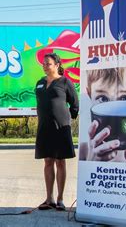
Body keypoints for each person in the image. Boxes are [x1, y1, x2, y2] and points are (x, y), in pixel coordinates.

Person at [79, 66, 126, 163]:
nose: (113, 110)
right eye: (103, 98)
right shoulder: (83, 152)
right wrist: (92, 162)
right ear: (89, 94)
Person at [34, 53, 78, 211]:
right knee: (47, 162)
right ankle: (49, 199)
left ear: (57, 65)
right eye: (44, 63)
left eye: (48, 63)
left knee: (60, 161)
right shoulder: (40, 83)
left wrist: (69, 118)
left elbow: (74, 104)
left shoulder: (65, 82)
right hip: (44, 127)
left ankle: (60, 199)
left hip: (60, 128)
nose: (45, 65)